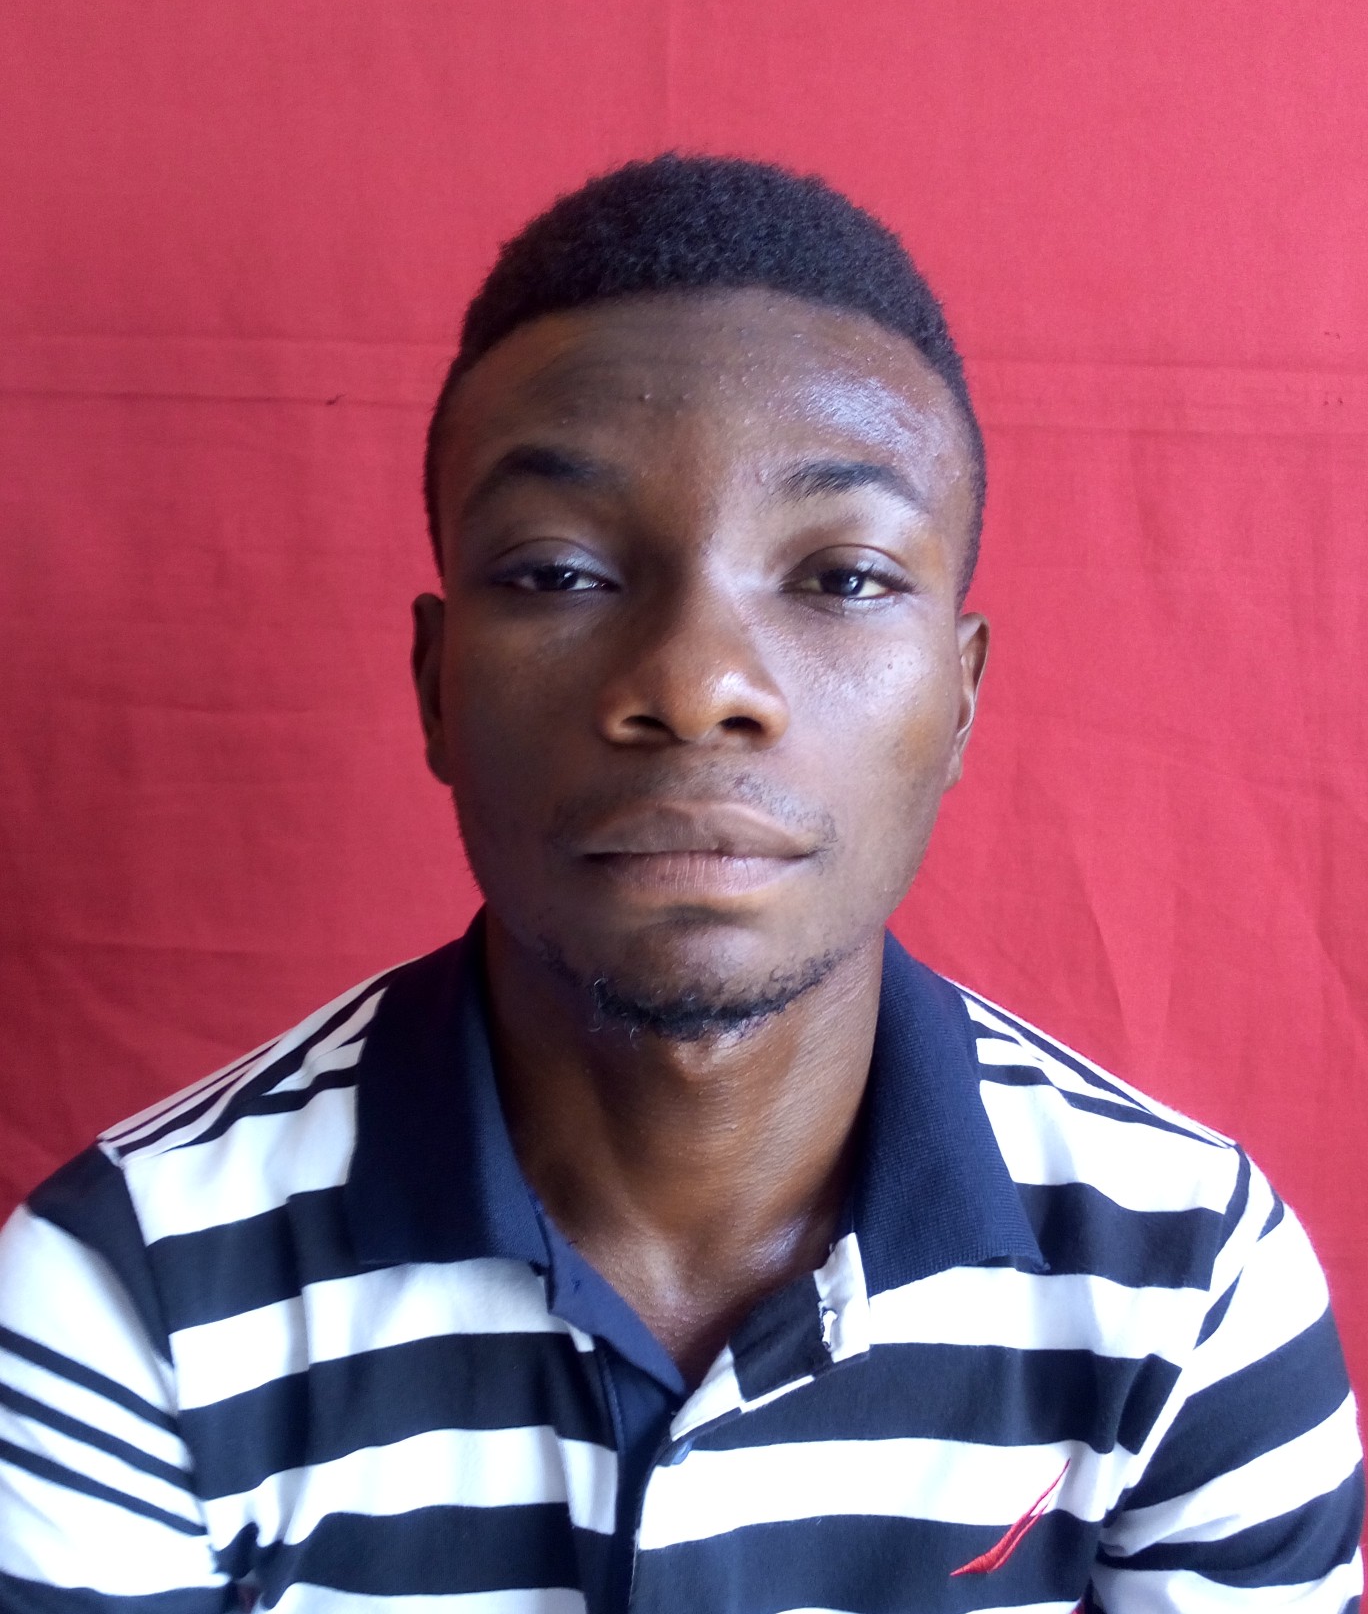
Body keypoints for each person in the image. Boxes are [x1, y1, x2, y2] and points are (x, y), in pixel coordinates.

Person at [0, 154, 1360, 1614]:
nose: (698, 684)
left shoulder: (1190, 1281)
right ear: (437, 686)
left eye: (841, 577)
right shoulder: (124, 1294)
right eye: (558, 572)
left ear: (960, 701)